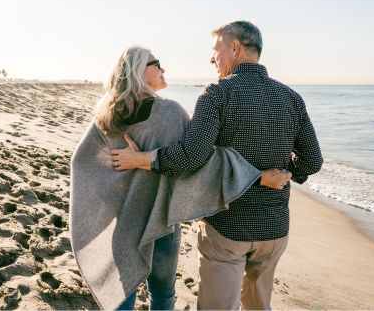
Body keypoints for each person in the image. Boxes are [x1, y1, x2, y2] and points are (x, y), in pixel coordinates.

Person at [110, 21, 323, 310]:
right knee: (259, 306)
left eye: (216, 50)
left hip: (228, 228)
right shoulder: (291, 98)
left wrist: (144, 159)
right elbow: (313, 161)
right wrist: (288, 174)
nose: (212, 58)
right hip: (274, 228)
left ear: (234, 47)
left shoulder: (217, 94)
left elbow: (192, 156)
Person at [69, 45, 291, 310]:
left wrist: (117, 189)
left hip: (124, 221)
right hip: (162, 219)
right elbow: (204, 161)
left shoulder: (106, 116)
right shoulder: (170, 112)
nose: (163, 69)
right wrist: (258, 177)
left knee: (122, 292)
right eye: (156, 63)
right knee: (162, 293)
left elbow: (82, 164)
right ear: (138, 71)